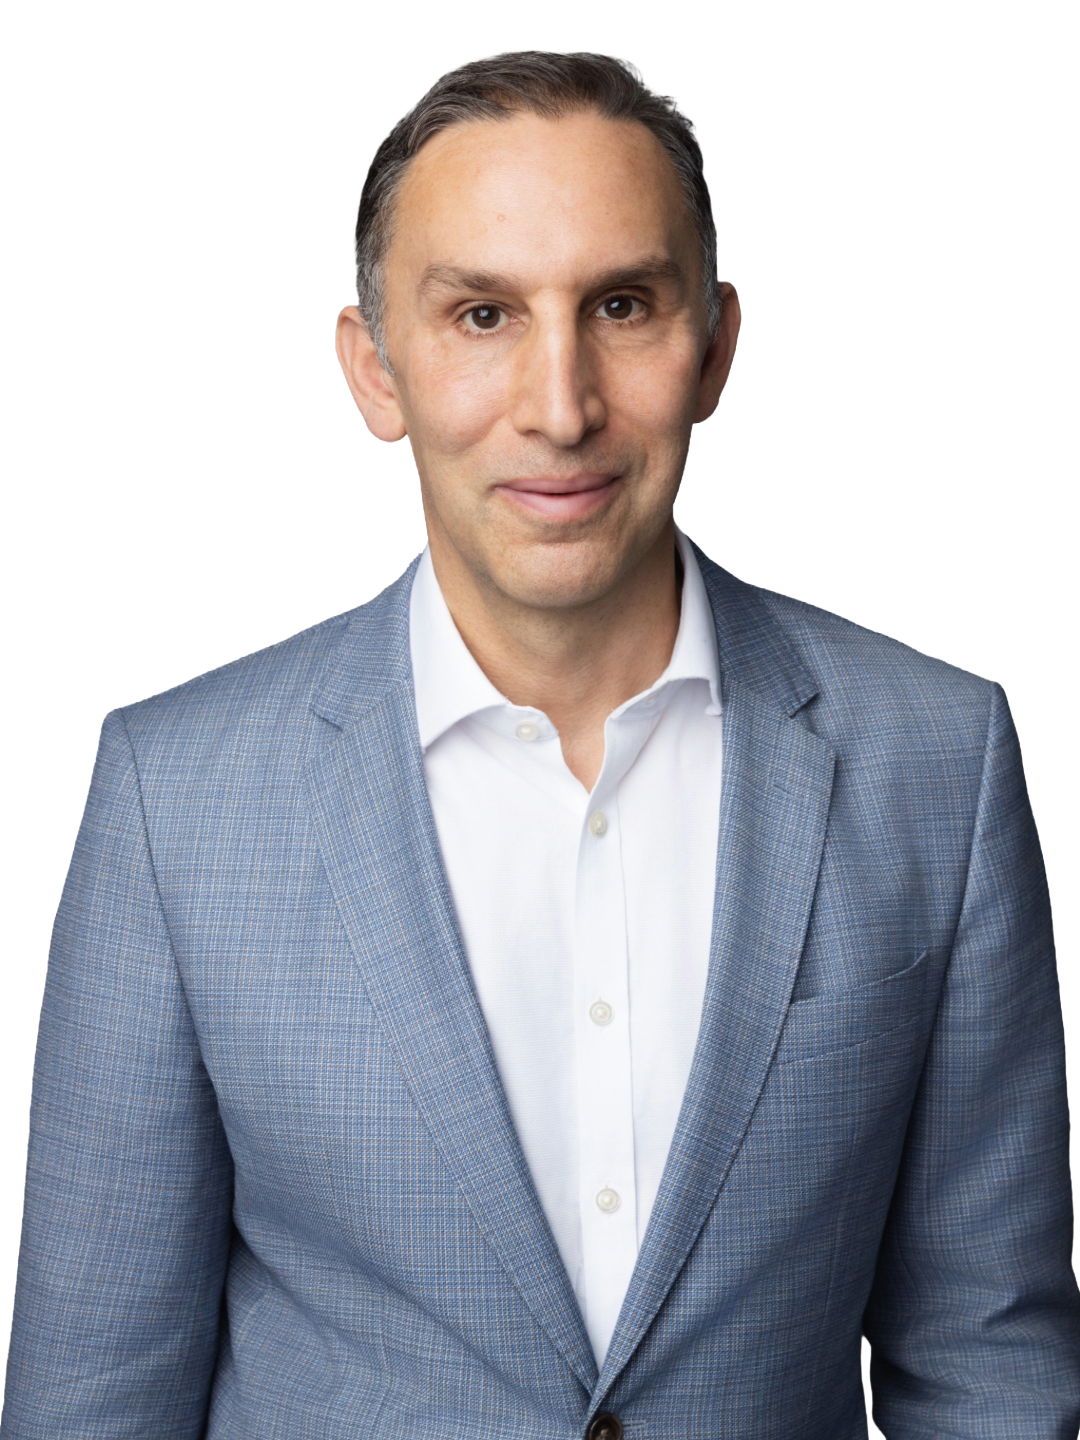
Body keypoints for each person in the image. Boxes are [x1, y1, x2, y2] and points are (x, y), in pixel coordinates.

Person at [5, 48, 1078, 1439]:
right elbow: (93, 1401)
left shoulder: (939, 761)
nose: (560, 404)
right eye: (482, 315)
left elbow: (988, 1362)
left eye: (622, 305)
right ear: (372, 371)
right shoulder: (177, 796)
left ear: (715, 348)